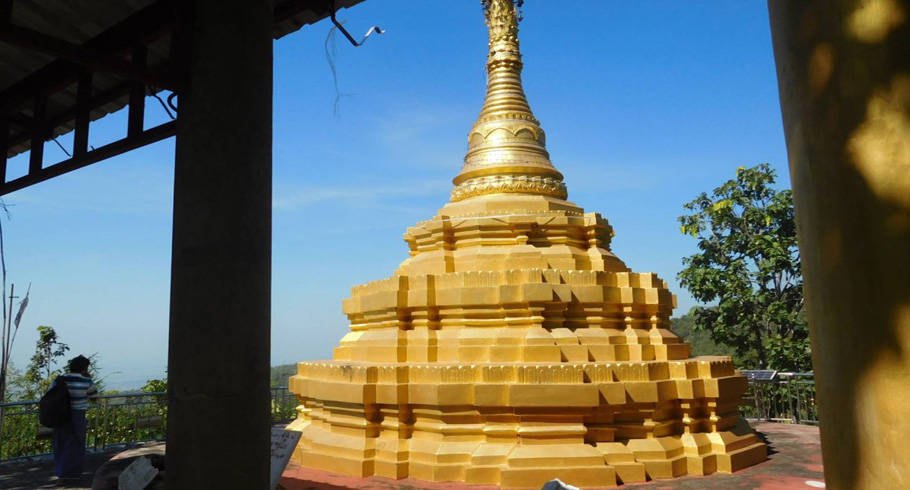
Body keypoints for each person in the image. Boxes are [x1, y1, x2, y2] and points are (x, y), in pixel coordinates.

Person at [51, 354, 98, 480]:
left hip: (60, 415)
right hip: (78, 414)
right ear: (84, 368)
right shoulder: (86, 381)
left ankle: (61, 472)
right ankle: (74, 473)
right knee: (77, 443)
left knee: (61, 442)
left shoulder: (61, 379)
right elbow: (94, 397)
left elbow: (50, 392)